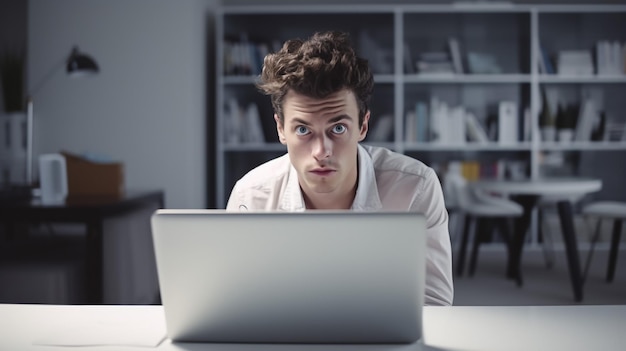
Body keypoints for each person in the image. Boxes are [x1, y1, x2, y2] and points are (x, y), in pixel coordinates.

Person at [226, 31, 453, 306]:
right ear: (280, 129)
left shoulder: (415, 188)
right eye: (302, 129)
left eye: (338, 128)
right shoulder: (250, 197)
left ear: (363, 126)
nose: (321, 151)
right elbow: (240, 304)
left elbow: (435, 304)